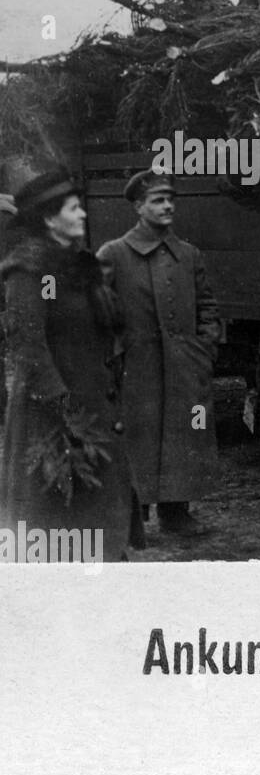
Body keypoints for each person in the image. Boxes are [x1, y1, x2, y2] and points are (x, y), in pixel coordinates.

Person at [0, 169, 133, 560]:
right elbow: (28, 344)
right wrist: (64, 408)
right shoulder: (29, 270)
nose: (83, 216)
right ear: (48, 218)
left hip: (92, 402)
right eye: (74, 209)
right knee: (56, 520)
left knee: (98, 513)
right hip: (54, 414)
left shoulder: (80, 265)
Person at [96, 172, 220, 537]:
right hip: (135, 366)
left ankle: (176, 513)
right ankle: (133, 516)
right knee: (138, 437)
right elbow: (96, 311)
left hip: (184, 364)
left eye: (170, 199)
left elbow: (208, 306)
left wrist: (203, 349)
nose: (167, 206)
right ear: (138, 207)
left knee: (183, 434)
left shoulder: (188, 254)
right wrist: (114, 355)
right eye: (157, 201)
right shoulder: (114, 253)